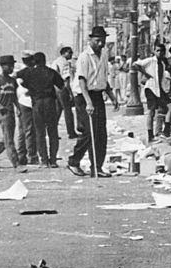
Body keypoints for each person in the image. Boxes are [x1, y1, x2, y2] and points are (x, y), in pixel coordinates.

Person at [67, 25, 119, 178]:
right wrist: (88, 102)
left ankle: (97, 167)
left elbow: (103, 78)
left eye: (103, 41)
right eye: (97, 41)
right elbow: (82, 80)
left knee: (101, 133)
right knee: (89, 132)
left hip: (97, 95)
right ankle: (73, 161)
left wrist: (112, 96)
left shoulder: (103, 54)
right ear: (91, 40)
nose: (100, 44)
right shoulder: (84, 56)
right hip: (84, 96)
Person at [16, 51, 66, 167]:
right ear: (44, 60)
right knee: (53, 132)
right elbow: (61, 86)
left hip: (37, 104)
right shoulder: (51, 72)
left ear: (34, 61)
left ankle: (44, 160)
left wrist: (30, 89)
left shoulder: (29, 73)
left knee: (40, 133)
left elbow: (19, 79)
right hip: (50, 103)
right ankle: (53, 160)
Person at [133, 43, 169, 143]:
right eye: (157, 51)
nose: (159, 53)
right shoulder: (150, 61)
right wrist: (145, 74)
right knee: (151, 111)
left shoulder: (162, 64)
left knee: (165, 108)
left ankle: (160, 131)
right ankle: (150, 135)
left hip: (159, 88)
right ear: (154, 51)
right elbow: (135, 64)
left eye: (161, 51)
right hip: (150, 88)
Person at [15, 51, 38, 166]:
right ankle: (32, 156)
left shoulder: (19, 74)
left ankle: (21, 155)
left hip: (21, 103)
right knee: (30, 130)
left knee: (22, 130)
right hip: (29, 103)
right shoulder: (33, 72)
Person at [51, 46, 78, 139]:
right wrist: (70, 93)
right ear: (64, 53)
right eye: (69, 52)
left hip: (55, 88)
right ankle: (71, 133)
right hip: (62, 87)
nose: (71, 54)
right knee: (68, 110)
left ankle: (52, 133)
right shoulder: (65, 62)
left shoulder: (55, 61)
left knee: (58, 110)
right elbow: (66, 79)